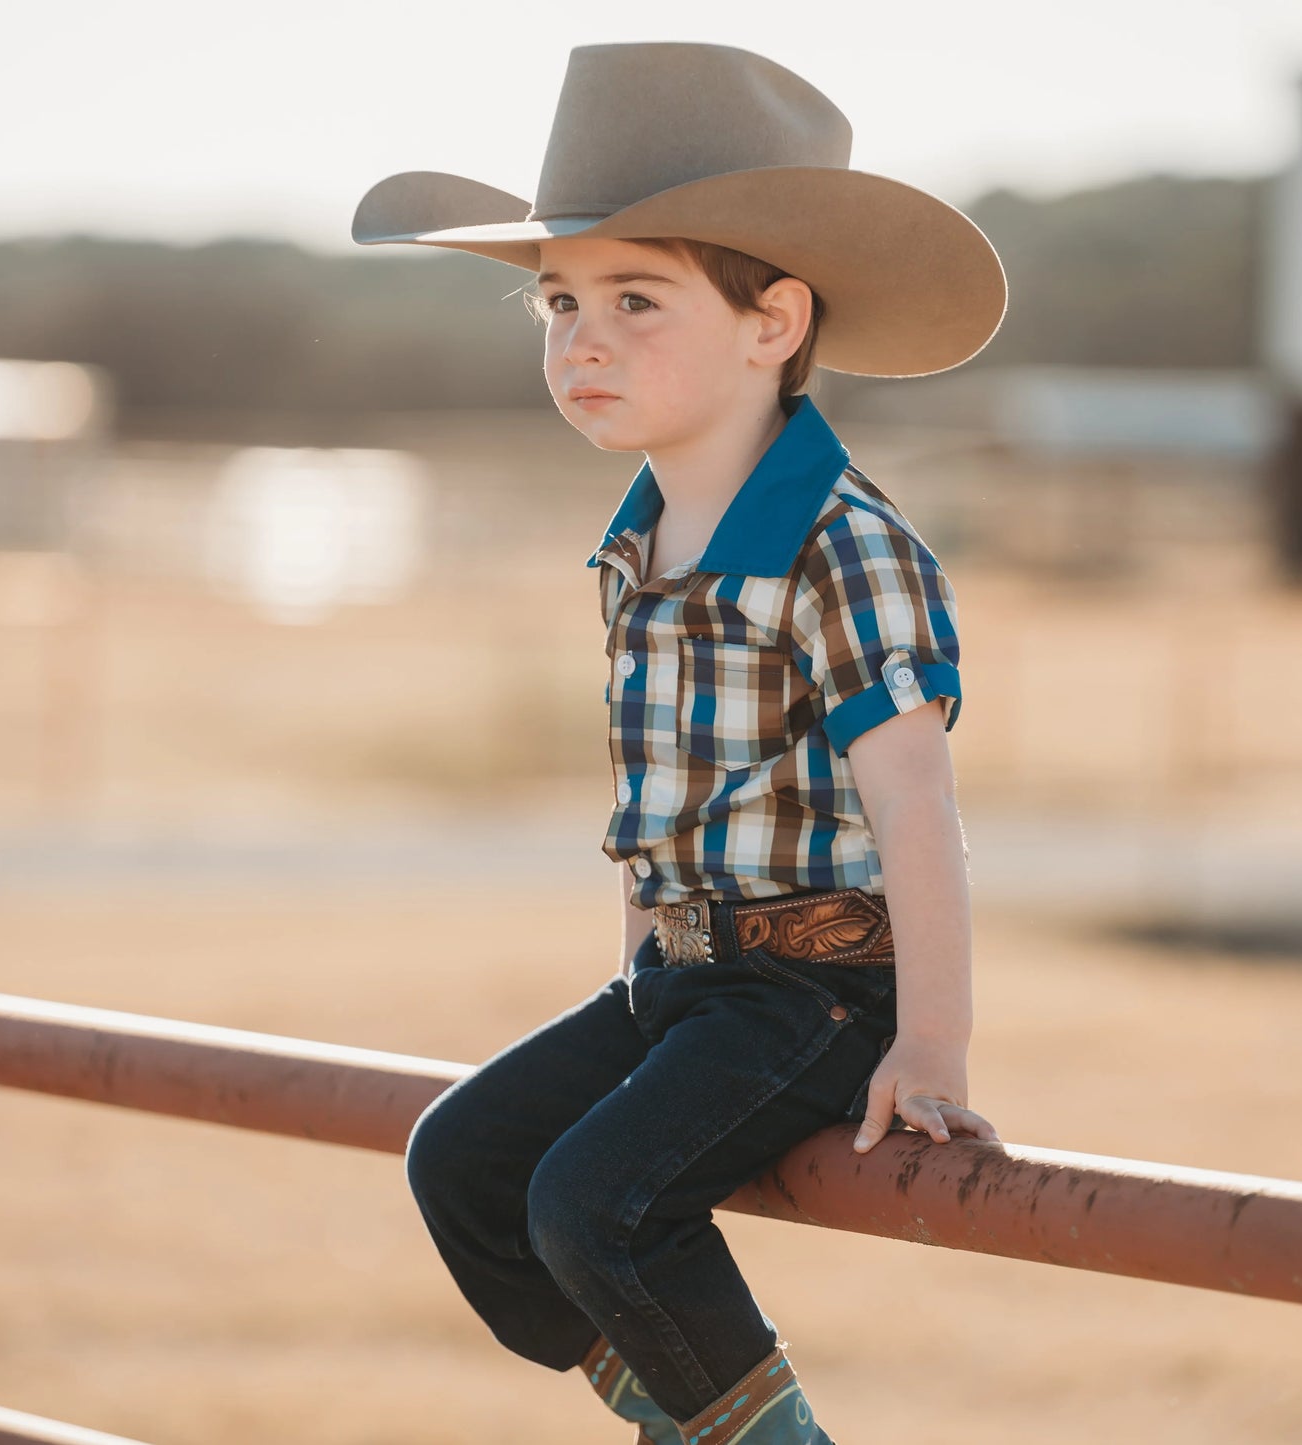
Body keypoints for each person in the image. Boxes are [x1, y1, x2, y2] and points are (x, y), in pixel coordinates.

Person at [352, 41, 1006, 1445]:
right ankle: (687, 1418)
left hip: (818, 990)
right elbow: (654, 798)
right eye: (559, 300)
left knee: (595, 1200)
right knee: (464, 1163)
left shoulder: (841, 543)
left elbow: (914, 804)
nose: (579, 339)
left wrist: (934, 1040)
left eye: (635, 299)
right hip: (680, 977)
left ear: (773, 322)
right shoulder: (639, 539)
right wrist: (636, 968)